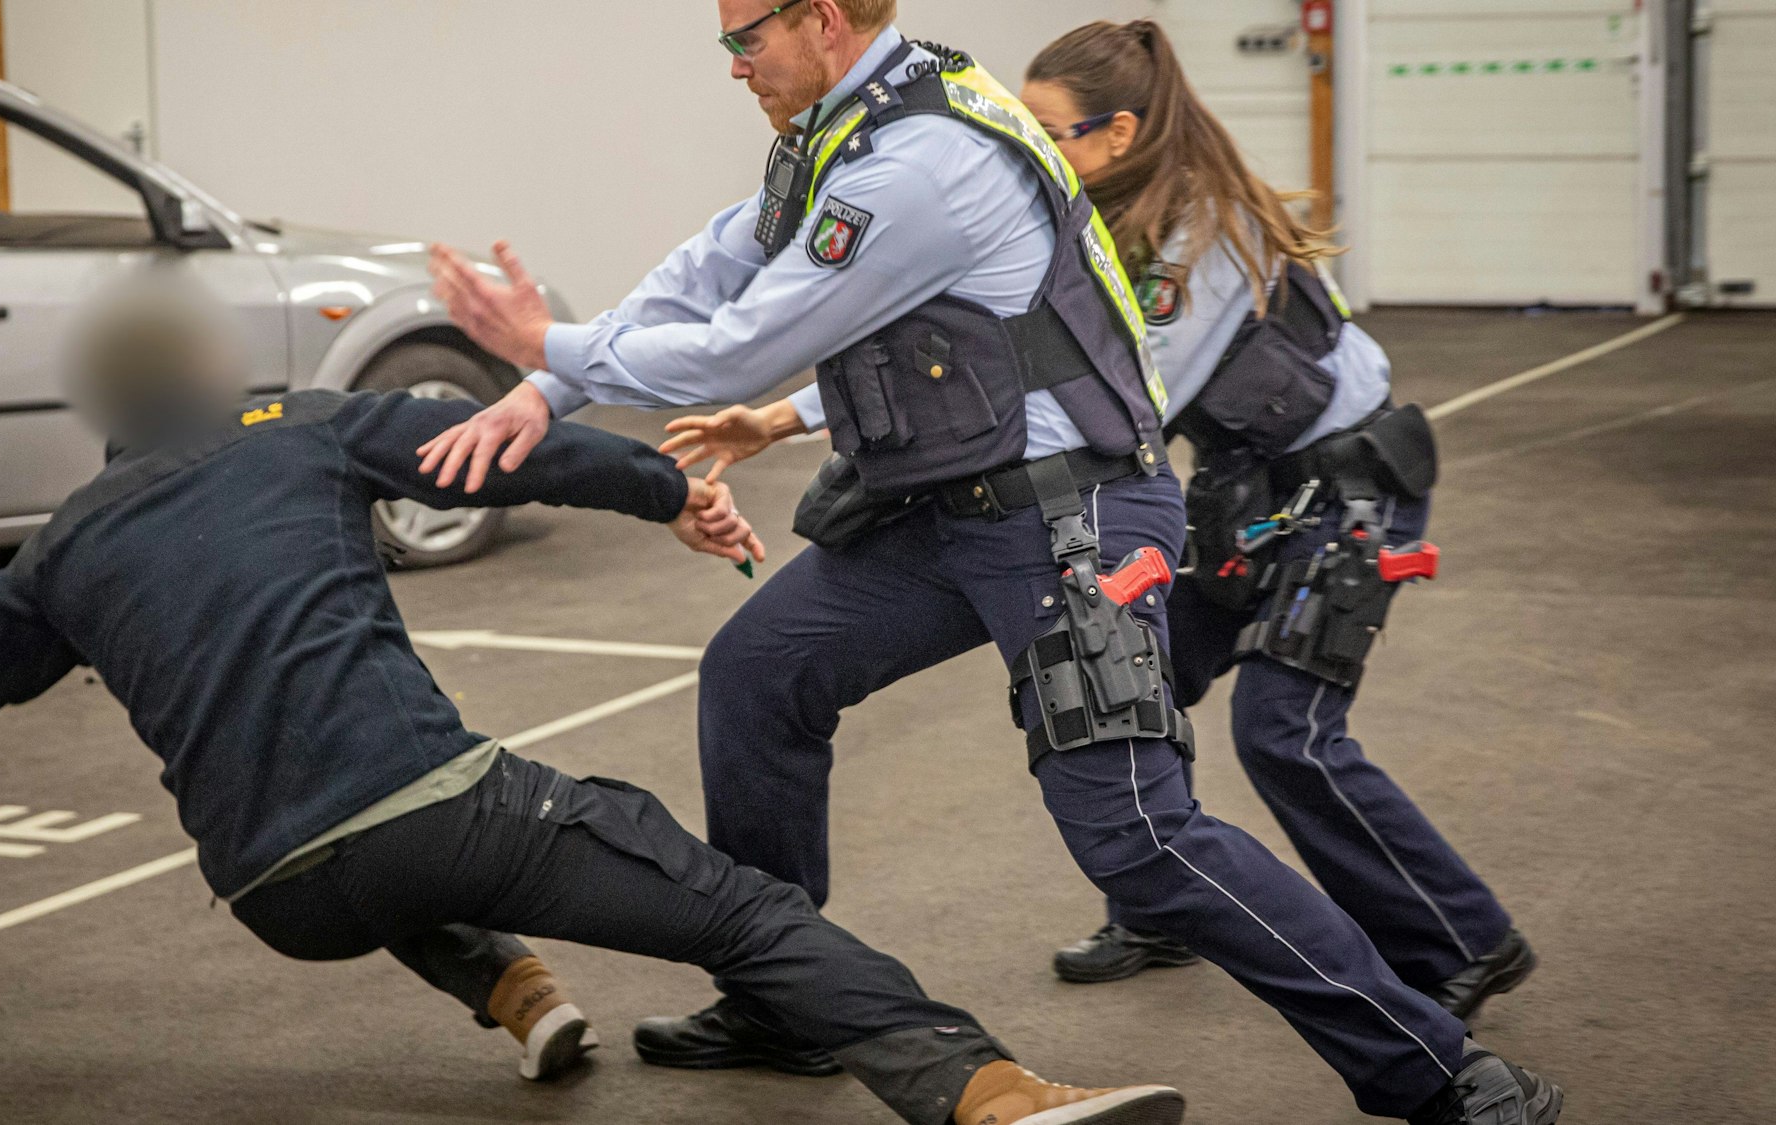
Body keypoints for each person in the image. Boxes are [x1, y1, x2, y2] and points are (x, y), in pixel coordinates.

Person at [420, 3, 1558, 1122]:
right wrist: (543, 384)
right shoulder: (843, 135)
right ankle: (785, 1002)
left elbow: (748, 341)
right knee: (757, 675)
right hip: (946, 513)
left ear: (821, 19)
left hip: (1072, 522)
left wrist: (546, 344)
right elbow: (709, 267)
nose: (730, 64)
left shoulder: (917, 162)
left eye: (743, 36)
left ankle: (1442, 1073)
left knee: (1136, 837)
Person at [0, 281, 1189, 1125]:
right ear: (206, 384)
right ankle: (984, 1092)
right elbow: (493, 456)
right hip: (428, 810)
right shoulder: (292, 427)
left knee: (362, 855)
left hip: (272, 893)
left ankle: (514, 987)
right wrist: (670, 493)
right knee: (738, 904)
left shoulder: (63, 540)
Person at [1007, 21, 1538, 1022]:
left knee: (1282, 732)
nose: (1031, 149)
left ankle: (1461, 939)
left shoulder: (1199, 236)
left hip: (1348, 495)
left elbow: (1125, 402)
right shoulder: (1108, 216)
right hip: (1250, 492)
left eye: (1047, 131)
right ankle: (1160, 905)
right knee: (1140, 681)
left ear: (1115, 133)